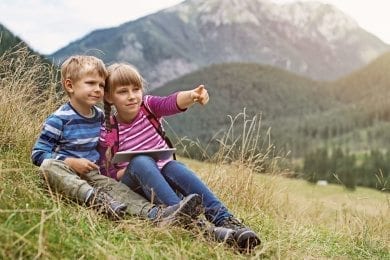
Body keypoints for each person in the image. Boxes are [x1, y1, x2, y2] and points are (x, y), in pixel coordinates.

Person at [98, 63, 261, 251]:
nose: (132, 96)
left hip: (163, 179)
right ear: (109, 97)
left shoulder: (148, 107)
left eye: (136, 89)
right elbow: (106, 172)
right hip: (135, 184)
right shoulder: (108, 130)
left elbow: (170, 102)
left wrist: (192, 96)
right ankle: (189, 220)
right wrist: (127, 170)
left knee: (173, 166)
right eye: (123, 91)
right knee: (142, 161)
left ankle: (225, 220)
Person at [31, 55, 202, 225]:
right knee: (48, 167)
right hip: (66, 172)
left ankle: (160, 215)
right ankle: (97, 200)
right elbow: (38, 154)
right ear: (69, 85)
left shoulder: (101, 119)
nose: (98, 89)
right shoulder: (58, 119)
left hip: (93, 176)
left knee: (121, 191)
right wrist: (70, 162)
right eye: (91, 83)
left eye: (101, 85)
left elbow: (107, 156)